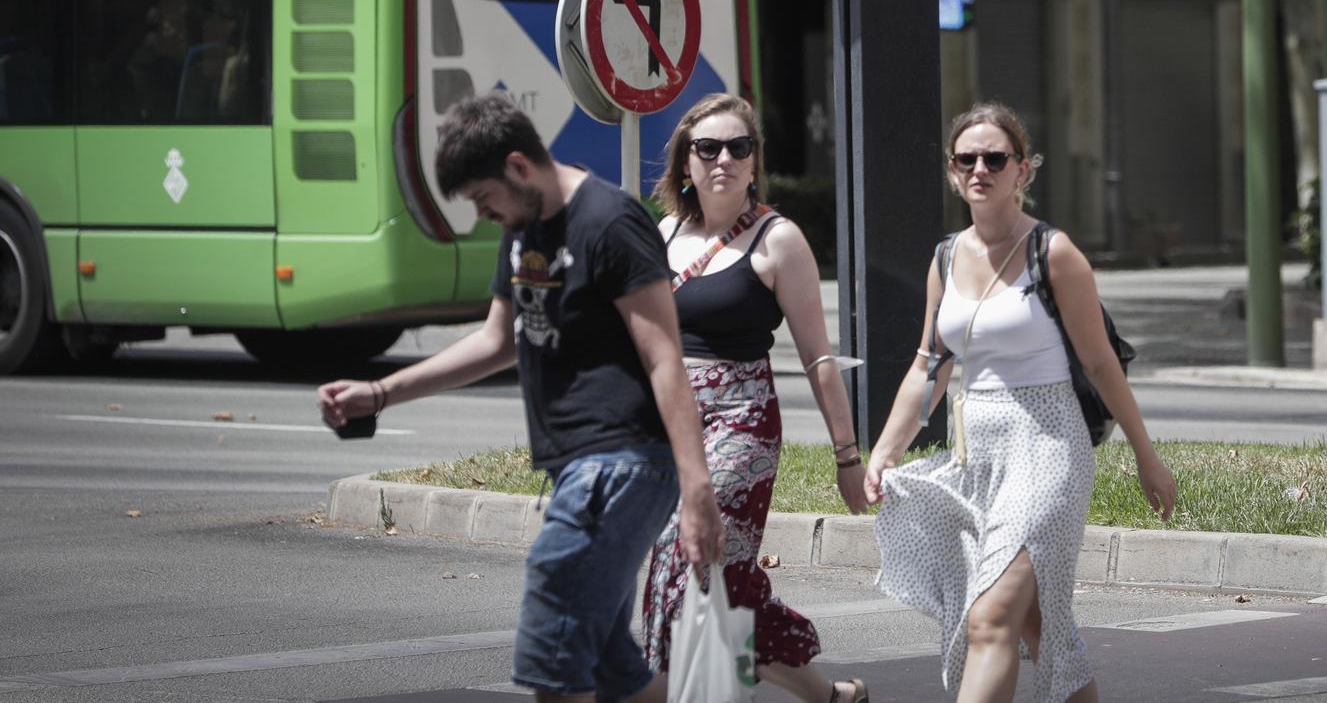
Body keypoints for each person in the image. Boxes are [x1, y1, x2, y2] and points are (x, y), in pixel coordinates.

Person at [316, 92, 723, 703]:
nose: (483, 215)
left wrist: (697, 492)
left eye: (483, 199)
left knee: (552, 651)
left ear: (517, 167)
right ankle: (713, 694)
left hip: (622, 464)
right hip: (576, 468)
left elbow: (664, 357)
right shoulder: (522, 230)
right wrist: (380, 393)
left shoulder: (611, 222)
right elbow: (496, 339)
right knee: (613, 670)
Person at [864, 101, 1178, 703]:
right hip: (976, 458)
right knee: (1039, 627)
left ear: (1023, 170)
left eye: (995, 158)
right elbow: (928, 365)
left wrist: (1146, 455)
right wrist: (884, 450)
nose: (980, 169)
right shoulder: (945, 258)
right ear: (953, 172)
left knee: (990, 618)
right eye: (967, 159)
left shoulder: (1053, 253)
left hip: (1048, 448)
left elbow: (1100, 363)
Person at [640, 93, 871, 703]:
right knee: (723, 576)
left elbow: (820, 358)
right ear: (685, 162)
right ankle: (830, 697)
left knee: (686, 551)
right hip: (672, 423)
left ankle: (678, 690)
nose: (723, 160)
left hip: (741, 423)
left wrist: (848, 458)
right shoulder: (663, 233)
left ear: (754, 161)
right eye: (707, 148)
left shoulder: (778, 240)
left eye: (738, 148)